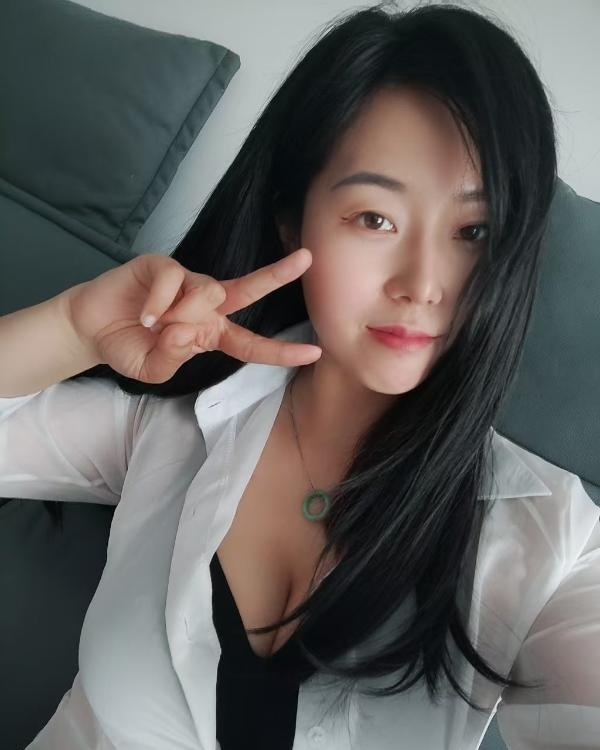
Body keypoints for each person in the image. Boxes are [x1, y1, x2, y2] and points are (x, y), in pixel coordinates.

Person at [1, 2, 599, 749]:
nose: (423, 283)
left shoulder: (549, 539)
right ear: (293, 219)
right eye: (375, 219)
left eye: (473, 232)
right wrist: (71, 328)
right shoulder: (175, 421)